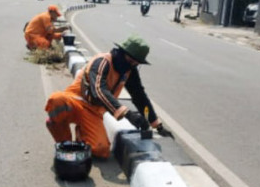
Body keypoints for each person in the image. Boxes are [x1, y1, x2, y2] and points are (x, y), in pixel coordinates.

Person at [45, 35, 174, 158]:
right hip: (75, 101)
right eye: (130, 61)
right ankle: (64, 143)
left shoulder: (129, 70)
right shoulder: (102, 62)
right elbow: (99, 90)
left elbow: (139, 95)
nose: (131, 65)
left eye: (135, 63)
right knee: (56, 100)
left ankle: (81, 134)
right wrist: (128, 114)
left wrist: (156, 124)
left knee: (100, 150)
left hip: (93, 112)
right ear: (122, 52)